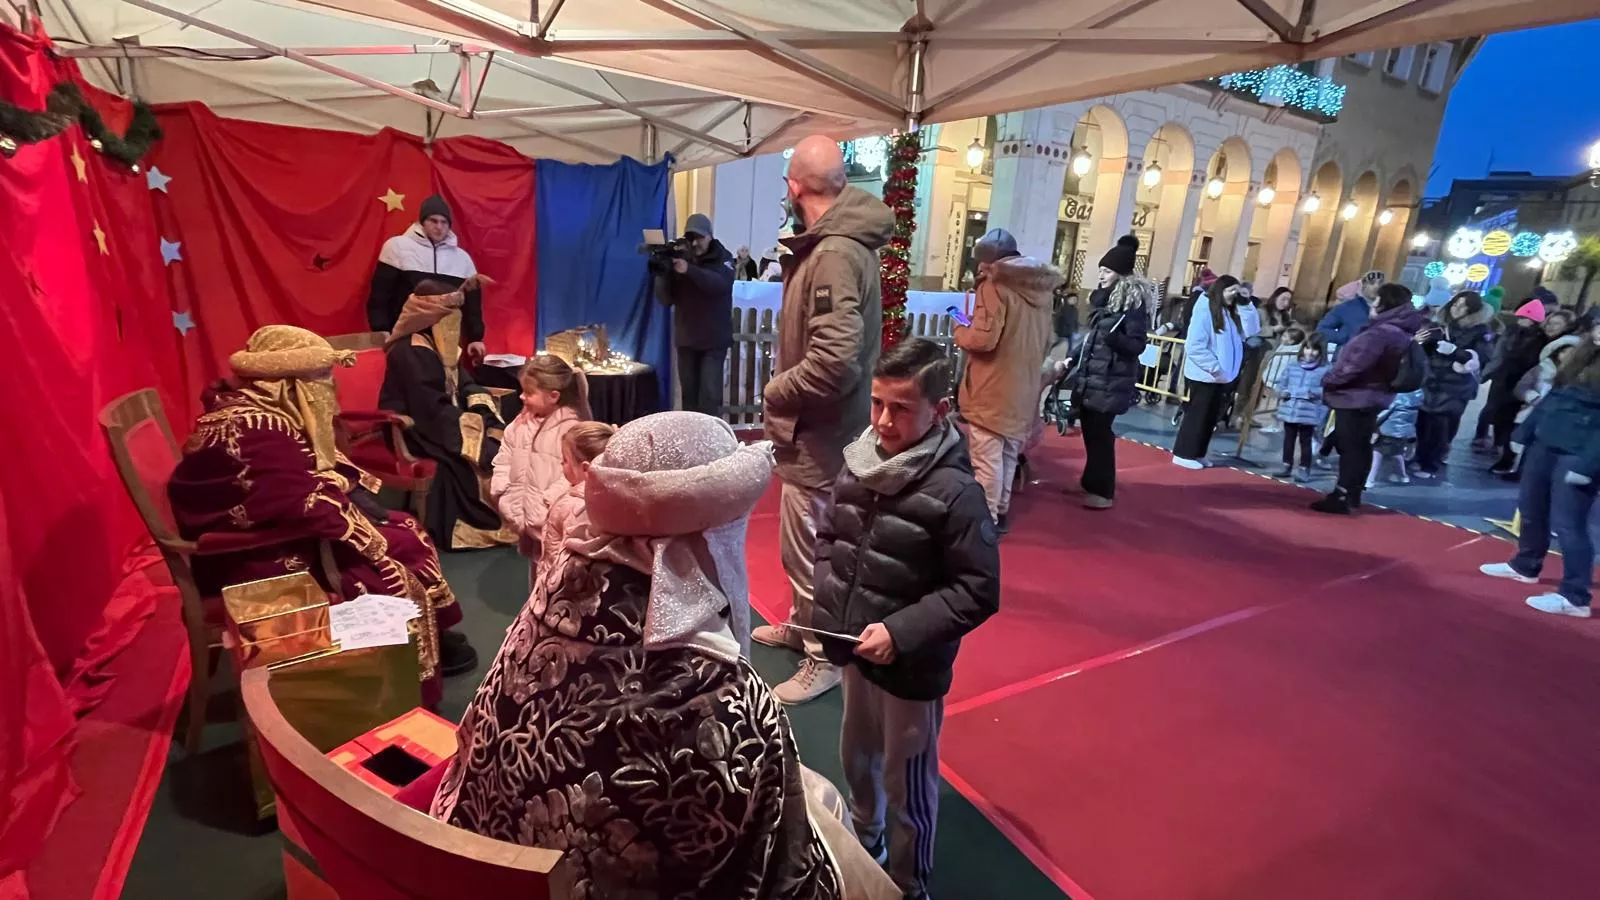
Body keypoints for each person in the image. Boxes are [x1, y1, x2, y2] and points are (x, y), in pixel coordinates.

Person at [432, 412, 854, 897]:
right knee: (830, 814)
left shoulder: (540, 611)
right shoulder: (721, 693)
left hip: (478, 866)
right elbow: (772, 868)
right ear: (712, 539)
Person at [168, 326, 475, 685]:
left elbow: (291, 484)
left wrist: (341, 489)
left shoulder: (254, 411)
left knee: (402, 526)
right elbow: (302, 502)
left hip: (268, 530)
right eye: (320, 379)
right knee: (389, 554)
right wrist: (367, 535)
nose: (329, 389)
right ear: (288, 383)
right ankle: (395, 680)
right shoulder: (259, 430)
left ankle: (432, 632)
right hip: (256, 556)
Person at [810, 339, 1001, 900]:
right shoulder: (859, 461)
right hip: (853, 650)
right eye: (876, 404)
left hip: (911, 670)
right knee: (856, 754)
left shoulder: (957, 492)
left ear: (938, 411)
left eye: (900, 408)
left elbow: (977, 589)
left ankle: (907, 882)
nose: (883, 421)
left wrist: (900, 632)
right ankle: (865, 842)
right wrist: (829, 605)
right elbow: (829, 539)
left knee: (908, 777)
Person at [754, 134, 894, 705]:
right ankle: (804, 627)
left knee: (812, 550)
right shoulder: (835, 244)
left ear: (794, 186)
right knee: (806, 546)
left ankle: (823, 656)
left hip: (821, 434)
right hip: (822, 430)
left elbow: (834, 362)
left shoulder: (834, 253)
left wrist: (775, 392)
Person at [378, 282, 514, 550]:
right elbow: (428, 406)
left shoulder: (439, 346)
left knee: (499, 441)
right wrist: (472, 430)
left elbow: (465, 384)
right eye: (447, 313)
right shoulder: (411, 351)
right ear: (429, 317)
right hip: (418, 428)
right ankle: (479, 527)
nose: (454, 321)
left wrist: (481, 411)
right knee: (469, 463)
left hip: (446, 422)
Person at [1478, 326, 1600, 619]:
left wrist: (1588, 465)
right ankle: (1525, 565)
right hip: (1546, 443)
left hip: (1579, 452)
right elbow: (1552, 399)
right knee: (1530, 507)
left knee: (1569, 524)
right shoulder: (1579, 357)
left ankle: (1575, 596)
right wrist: (1525, 432)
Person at [953, 228, 1058, 529]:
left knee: (986, 456)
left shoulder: (994, 286)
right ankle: (1001, 510)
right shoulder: (1042, 289)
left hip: (992, 385)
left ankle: (986, 521)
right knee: (1008, 453)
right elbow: (1046, 340)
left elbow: (983, 340)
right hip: (1022, 386)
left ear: (988, 262)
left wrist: (961, 329)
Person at [1311, 283, 1426, 514]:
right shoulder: (1399, 331)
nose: (1372, 305)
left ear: (1385, 304)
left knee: (1351, 446)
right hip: (1375, 395)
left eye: (1376, 301)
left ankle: (1342, 495)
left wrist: (1329, 379)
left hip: (1356, 395)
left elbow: (1353, 366)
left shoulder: (1380, 333)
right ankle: (1352, 494)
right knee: (1361, 446)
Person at [1064, 237, 1154, 509]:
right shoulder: (1103, 303)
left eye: (1107, 271)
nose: (1101, 275)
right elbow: (1094, 338)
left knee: (1101, 435)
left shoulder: (1133, 305)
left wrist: (1117, 341)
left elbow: (1138, 345)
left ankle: (1103, 491)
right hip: (1095, 377)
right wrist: (1073, 358)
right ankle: (1090, 481)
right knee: (1091, 431)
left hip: (1112, 380)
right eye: (1101, 270)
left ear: (1121, 274)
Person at [490, 354, 591, 571]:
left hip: (554, 522)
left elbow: (576, 476)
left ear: (553, 396)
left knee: (554, 574)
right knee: (535, 574)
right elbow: (504, 457)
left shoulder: (571, 429)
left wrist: (548, 502)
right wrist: (502, 489)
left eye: (529, 393)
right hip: (526, 518)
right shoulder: (520, 424)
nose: (521, 397)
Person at [368, 194, 487, 366]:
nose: (439, 227)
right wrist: (381, 330)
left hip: (448, 340)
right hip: (405, 339)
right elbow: (380, 295)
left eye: (444, 222)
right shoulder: (397, 247)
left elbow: (473, 305)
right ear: (422, 222)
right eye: (433, 221)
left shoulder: (462, 259)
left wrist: (476, 337)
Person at [654, 213, 736, 417]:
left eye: (700, 237)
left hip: (713, 341)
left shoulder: (723, 258)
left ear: (710, 236)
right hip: (687, 339)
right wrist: (663, 274)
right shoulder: (682, 258)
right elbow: (666, 299)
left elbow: (719, 284)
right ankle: (690, 442)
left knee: (709, 396)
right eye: (691, 237)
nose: (695, 242)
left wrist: (689, 270)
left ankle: (711, 443)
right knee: (688, 397)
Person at [1482, 302, 1571, 475]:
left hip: (1533, 390)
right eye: (1551, 322)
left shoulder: (1562, 346)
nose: (1551, 327)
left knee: (1518, 427)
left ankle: (1513, 463)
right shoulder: (1533, 336)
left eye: (1557, 324)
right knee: (1505, 423)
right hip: (1516, 386)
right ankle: (1508, 460)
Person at [1414, 290, 1494, 479]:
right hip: (1430, 380)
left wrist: (1455, 351)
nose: (1457, 308)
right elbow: (1423, 353)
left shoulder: (1480, 331)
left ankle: (1431, 462)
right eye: (1456, 304)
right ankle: (1420, 457)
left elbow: (1482, 357)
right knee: (1423, 422)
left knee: (1440, 425)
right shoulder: (1437, 326)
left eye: (1463, 305)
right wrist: (1419, 342)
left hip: (1455, 385)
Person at [1172, 275, 1245, 469]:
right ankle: (1183, 453)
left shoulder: (1229, 312)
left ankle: (1198, 452)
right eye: (1231, 290)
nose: (1234, 295)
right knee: (1197, 415)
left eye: (1236, 291)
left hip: (1222, 376)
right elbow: (1195, 345)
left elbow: (1251, 329)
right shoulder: (1205, 310)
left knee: (1211, 417)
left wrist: (1246, 304)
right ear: (1220, 290)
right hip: (1205, 374)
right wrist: (1215, 368)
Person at [536, 421, 615, 588]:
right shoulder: (608, 498)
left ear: (586, 469)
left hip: (558, 585)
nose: (560, 464)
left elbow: (569, 562)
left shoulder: (576, 508)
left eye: (565, 460)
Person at [1272, 333, 1329, 483]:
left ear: (1321, 352)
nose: (1309, 352)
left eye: (1314, 350)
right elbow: (1282, 382)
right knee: (1288, 439)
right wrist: (1282, 391)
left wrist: (1314, 393)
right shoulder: (1292, 365)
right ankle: (1286, 465)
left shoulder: (1325, 369)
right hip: (1290, 408)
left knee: (1305, 440)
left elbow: (1328, 389)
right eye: (1307, 348)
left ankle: (1304, 468)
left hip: (1309, 411)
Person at [1316, 269, 1386, 349]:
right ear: (1364, 284)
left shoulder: (1388, 309)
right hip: (1347, 357)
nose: (1376, 287)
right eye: (1372, 283)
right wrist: (1345, 338)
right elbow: (1321, 329)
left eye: (1380, 283)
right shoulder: (1345, 308)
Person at [1368, 387, 1423, 487]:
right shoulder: (1417, 394)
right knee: (1397, 454)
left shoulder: (1396, 397)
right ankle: (1402, 476)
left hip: (1389, 429)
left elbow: (1383, 414)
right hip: (1403, 432)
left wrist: (1370, 424)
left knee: (1377, 453)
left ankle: (1369, 479)